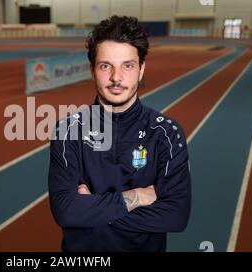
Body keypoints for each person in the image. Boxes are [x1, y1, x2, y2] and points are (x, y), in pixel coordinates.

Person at [48, 15, 191, 252]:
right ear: (92, 70)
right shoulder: (68, 131)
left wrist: (90, 209)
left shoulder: (167, 133)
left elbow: (176, 216)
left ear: (141, 69)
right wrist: (137, 196)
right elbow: (65, 211)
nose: (116, 78)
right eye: (106, 66)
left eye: (128, 65)